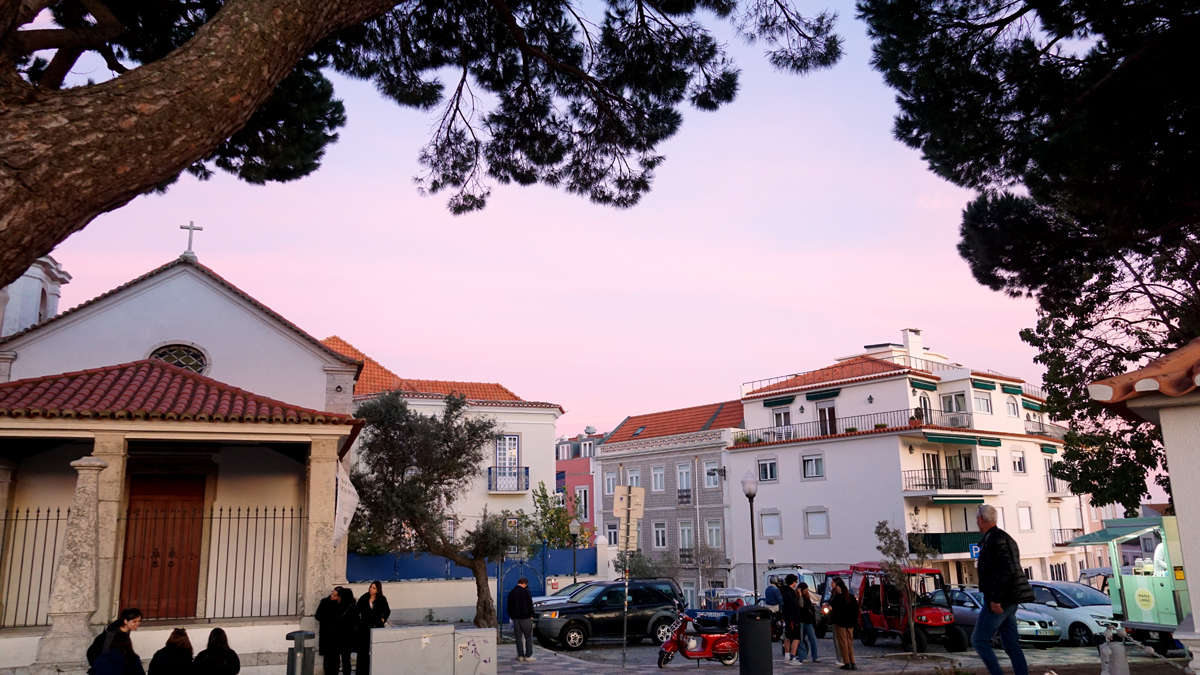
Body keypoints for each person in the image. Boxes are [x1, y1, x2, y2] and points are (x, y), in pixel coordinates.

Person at [973, 504, 1035, 675]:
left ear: (980, 520)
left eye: (977, 519)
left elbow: (1006, 570)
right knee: (1011, 644)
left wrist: (996, 599)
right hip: (1010, 599)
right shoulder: (1004, 538)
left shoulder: (994, 540)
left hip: (1001, 600)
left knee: (979, 640)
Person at [356, 580, 391, 675]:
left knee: (375, 650)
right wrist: (359, 621)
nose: (371, 589)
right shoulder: (364, 597)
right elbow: (357, 610)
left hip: (376, 627)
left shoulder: (382, 599)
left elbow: (387, 611)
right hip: (364, 627)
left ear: (378, 590)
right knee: (362, 651)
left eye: (374, 588)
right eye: (371, 587)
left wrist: (383, 619)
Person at [316, 587, 352, 675]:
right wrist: (328, 618)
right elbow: (318, 616)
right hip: (327, 633)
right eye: (332, 593)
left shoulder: (344, 605)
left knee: (340, 658)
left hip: (339, 635)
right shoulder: (325, 601)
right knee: (328, 657)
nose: (332, 596)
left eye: (335, 595)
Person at [829, 579, 858, 671]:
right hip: (850, 623)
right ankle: (853, 662)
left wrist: (833, 619)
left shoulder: (837, 598)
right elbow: (856, 611)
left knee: (843, 643)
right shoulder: (851, 597)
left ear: (838, 587)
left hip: (840, 623)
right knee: (850, 643)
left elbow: (834, 612)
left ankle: (847, 662)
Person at [507, 578, 536, 662]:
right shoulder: (526, 592)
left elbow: (509, 606)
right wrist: (532, 614)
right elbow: (530, 604)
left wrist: (512, 616)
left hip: (516, 618)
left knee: (518, 638)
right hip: (526, 617)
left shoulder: (512, 592)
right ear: (524, 584)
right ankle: (528, 655)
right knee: (528, 637)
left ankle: (520, 655)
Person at [780, 574, 803, 665]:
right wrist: (795, 619)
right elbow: (792, 607)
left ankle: (787, 656)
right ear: (793, 582)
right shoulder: (790, 593)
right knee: (796, 638)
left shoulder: (784, 592)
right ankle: (792, 657)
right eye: (795, 581)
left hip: (787, 618)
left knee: (788, 637)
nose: (796, 583)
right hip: (793, 619)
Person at [795, 582, 820, 663]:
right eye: (805, 591)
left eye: (807, 590)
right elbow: (801, 605)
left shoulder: (807, 597)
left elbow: (807, 606)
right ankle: (803, 656)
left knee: (813, 638)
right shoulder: (797, 597)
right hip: (801, 619)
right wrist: (800, 595)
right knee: (800, 639)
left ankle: (815, 656)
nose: (806, 592)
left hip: (808, 620)